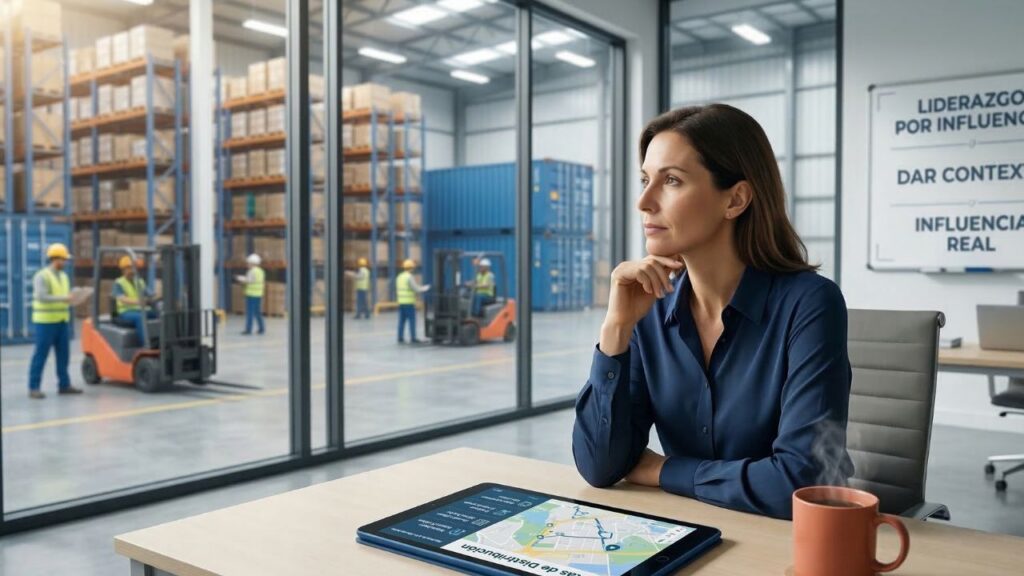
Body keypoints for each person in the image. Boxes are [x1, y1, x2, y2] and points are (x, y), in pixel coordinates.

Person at [572, 104, 853, 520]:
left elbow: (800, 483)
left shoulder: (809, 305)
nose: (644, 202)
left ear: (735, 199)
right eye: (646, 180)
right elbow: (600, 466)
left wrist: (664, 469)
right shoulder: (649, 308)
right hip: (692, 530)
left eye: (671, 181)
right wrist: (616, 330)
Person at [28, 243, 82, 399]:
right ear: (55, 259)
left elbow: (64, 298)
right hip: (45, 323)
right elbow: (41, 296)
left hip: (62, 321)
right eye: (63, 259)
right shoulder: (41, 276)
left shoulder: (64, 277)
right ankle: (34, 387)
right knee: (41, 355)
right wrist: (65, 298)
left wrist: (75, 298)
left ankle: (64, 385)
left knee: (64, 355)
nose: (65, 262)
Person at [113, 255, 158, 343]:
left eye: (133, 268)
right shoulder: (119, 283)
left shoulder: (140, 281)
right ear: (123, 270)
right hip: (125, 312)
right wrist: (139, 302)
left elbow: (150, 294)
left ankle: (161, 341)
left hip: (140, 310)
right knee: (140, 317)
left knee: (160, 314)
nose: (132, 271)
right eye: (129, 268)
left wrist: (159, 296)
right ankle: (146, 344)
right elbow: (122, 298)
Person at [395, 259, 430, 344]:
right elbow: (416, 288)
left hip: (401, 302)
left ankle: (400, 337)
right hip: (409, 303)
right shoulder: (409, 277)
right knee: (412, 320)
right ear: (411, 268)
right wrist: (425, 288)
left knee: (401, 321)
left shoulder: (399, 277)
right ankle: (413, 338)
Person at [236, 253, 265, 335]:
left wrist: (239, 278)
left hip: (251, 295)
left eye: (248, 263)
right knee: (257, 312)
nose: (247, 264)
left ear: (252, 263)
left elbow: (248, 280)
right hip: (259, 294)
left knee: (250, 313)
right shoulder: (261, 271)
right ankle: (261, 328)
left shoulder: (252, 271)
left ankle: (248, 330)